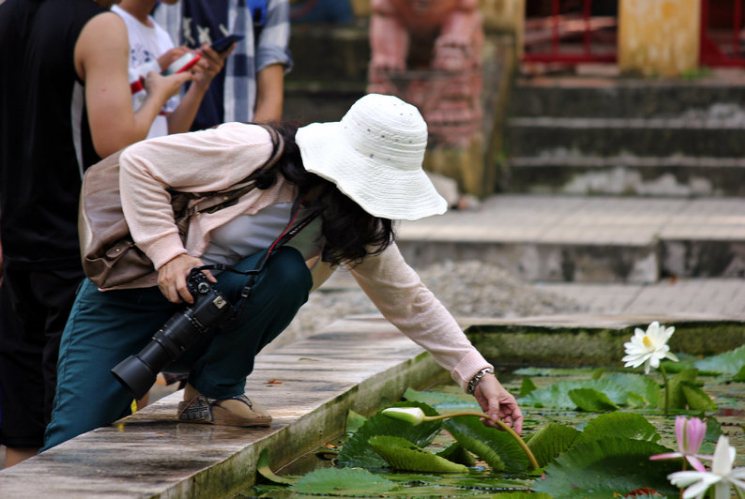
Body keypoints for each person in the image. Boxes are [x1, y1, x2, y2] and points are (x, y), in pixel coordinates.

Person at [41, 94, 523, 451]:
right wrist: (169, 255)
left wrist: (478, 376)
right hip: (131, 294)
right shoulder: (252, 151)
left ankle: (213, 392)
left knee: (289, 273)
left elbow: (409, 298)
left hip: (210, 313)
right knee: (73, 436)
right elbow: (141, 162)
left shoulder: (347, 222)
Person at [0, 0, 196, 467]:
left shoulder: (7, 15)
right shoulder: (100, 24)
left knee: (22, 424)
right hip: (81, 244)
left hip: (18, 239)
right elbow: (117, 144)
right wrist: (157, 93)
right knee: (81, 422)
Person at [152, 0, 292, 127]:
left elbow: (270, 98)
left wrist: (249, 148)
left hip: (235, 142)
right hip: (165, 139)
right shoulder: (150, 10)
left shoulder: (266, 3)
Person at [112, 0, 231, 139]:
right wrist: (157, 67)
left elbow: (169, 134)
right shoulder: (108, 25)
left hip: (151, 157)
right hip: (119, 158)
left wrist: (200, 84)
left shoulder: (162, 36)